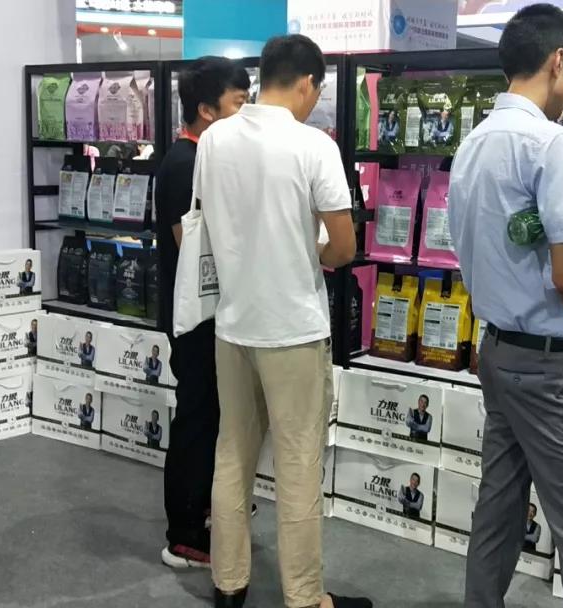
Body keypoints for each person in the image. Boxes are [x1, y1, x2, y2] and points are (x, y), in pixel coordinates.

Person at [448, 6, 563, 607]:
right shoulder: (551, 144)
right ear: (559, 61)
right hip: (547, 368)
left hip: (497, 351)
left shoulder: (472, 144)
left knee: (497, 510)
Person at [196, 35, 368, 608]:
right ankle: (305, 597)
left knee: (232, 454)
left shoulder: (214, 139)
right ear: (308, 83)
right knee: (297, 463)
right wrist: (305, 249)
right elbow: (343, 247)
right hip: (292, 327)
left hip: (232, 323)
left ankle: (229, 585)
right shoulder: (312, 145)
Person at [153, 58, 251, 571]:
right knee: (195, 417)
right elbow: (189, 249)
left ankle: (205, 509)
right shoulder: (184, 164)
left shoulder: (203, 159)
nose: (247, 113)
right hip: (194, 320)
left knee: (211, 415)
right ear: (207, 110)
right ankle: (184, 533)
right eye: (239, 103)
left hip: (211, 315)